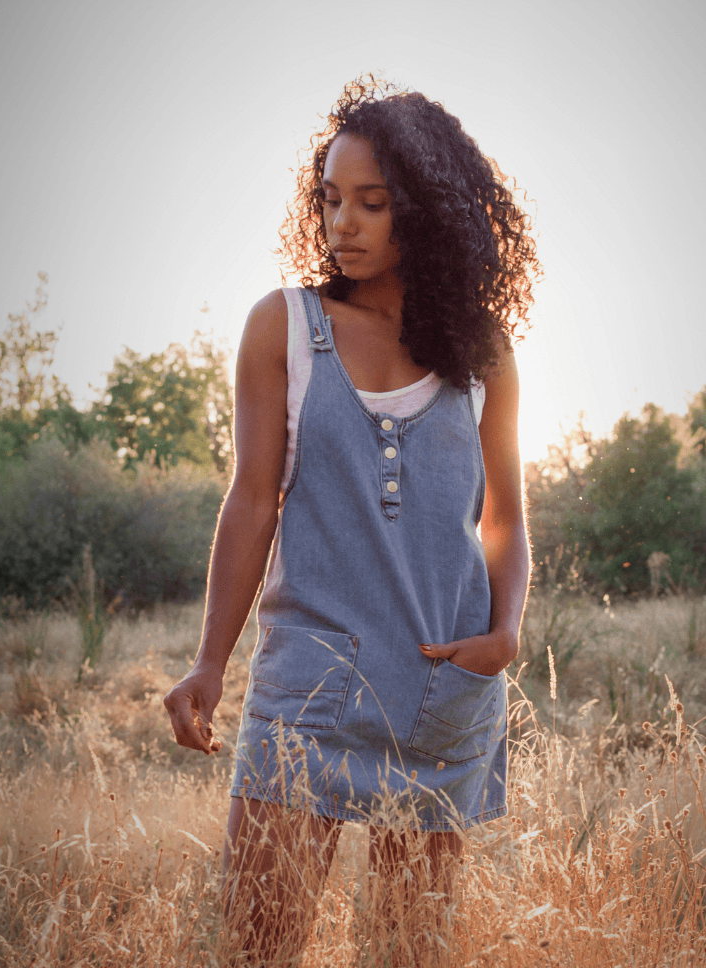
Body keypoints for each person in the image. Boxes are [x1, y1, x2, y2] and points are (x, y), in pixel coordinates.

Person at [163, 76, 538, 964]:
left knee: (407, 954)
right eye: (331, 199)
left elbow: (505, 520)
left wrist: (505, 635)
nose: (344, 223)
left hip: (440, 685)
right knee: (255, 948)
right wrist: (211, 661)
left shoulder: (483, 353)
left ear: (428, 211)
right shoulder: (285, 327)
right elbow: (252, 498)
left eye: (372, 202)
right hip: (307, 689)